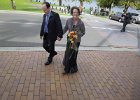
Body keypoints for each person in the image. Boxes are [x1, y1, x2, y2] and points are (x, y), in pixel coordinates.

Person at [63, 6, 85, 75]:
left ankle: (73, 67)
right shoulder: (69, 20)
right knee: (67, 53)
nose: (75, 13)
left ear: (79, 13)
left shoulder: (81, 23)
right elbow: (65, 28)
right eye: (74, 12)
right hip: (69, 40)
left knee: (73, 54)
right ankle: (66, 65)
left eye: (76, 12)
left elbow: (83, 32)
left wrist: (77, 33)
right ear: (72, 13)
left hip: (76, 41)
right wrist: (60, 35)